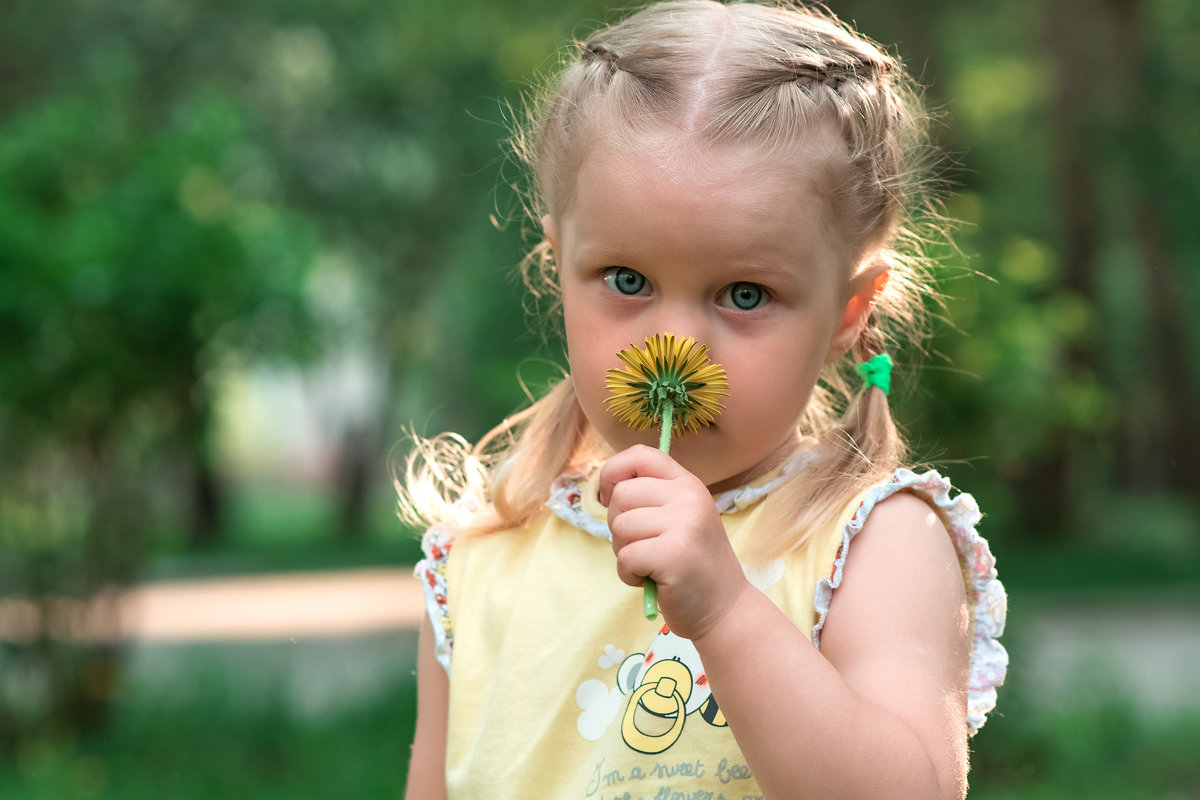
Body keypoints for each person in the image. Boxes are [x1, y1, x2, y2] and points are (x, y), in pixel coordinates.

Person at [401, 1, 1007, 798]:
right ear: (558, 266)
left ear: (847, 316)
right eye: (627, 281)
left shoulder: (872, 545)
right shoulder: (483, 558)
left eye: (745, 294)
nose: (678, 345)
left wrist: (725, 612)